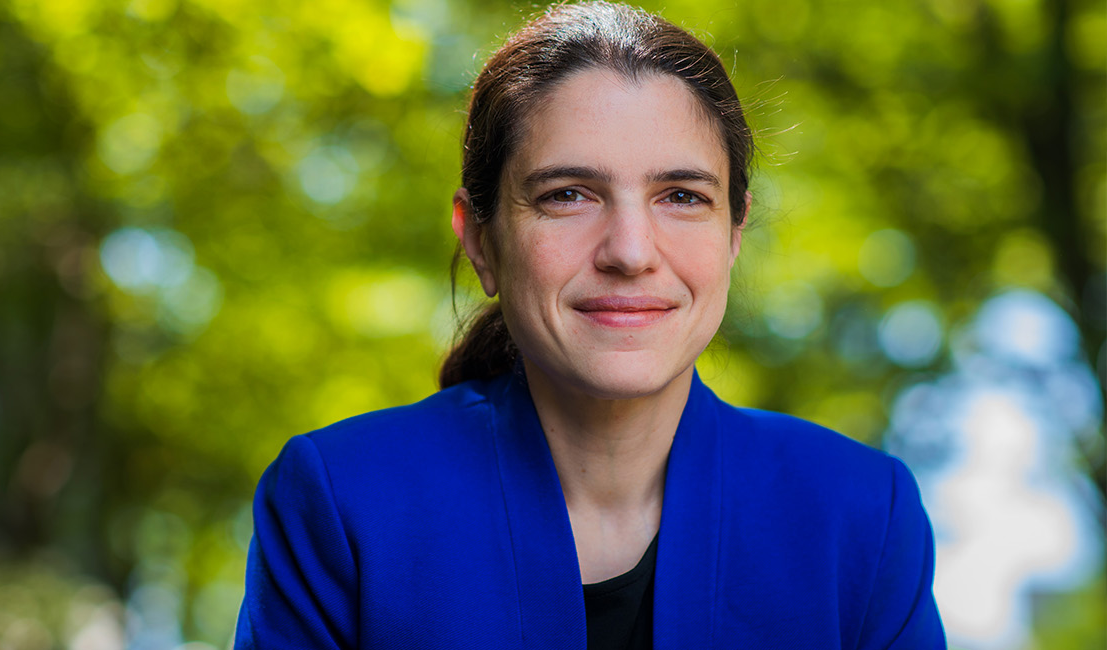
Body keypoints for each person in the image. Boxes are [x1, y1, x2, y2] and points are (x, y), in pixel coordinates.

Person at [233, 2, 945, 648]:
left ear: (734, 233)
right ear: (480, 238)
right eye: (568, 194)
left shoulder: (860, 518)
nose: (630, 252)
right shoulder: (339, 503)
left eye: (682, 196)